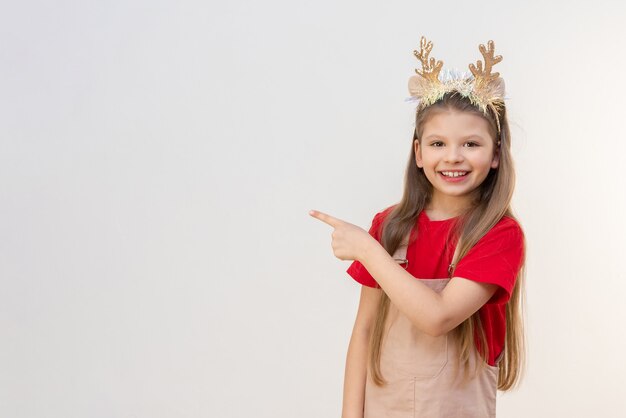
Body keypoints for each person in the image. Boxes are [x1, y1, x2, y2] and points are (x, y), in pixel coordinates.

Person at [309, 36, 526, 418]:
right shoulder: (390, 226)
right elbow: (363, 334)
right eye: (438, 143)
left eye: (471, 144)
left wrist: (366, 250)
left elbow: (437, 317)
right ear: (419, 153)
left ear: (495, 154)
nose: (453, 157)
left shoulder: (499, 234)